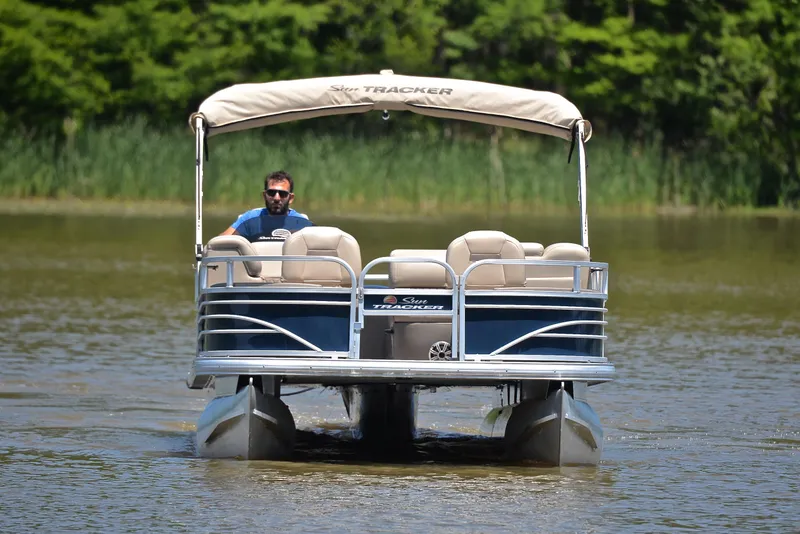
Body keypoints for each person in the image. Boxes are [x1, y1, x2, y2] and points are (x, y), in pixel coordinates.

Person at [219, 170, 313, 242]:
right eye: (271, 193)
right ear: (264, 195)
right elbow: (221, 241)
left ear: (291, 198)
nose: (276, 198)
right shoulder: (249, 219)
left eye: (282, 194)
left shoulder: (301, 224)